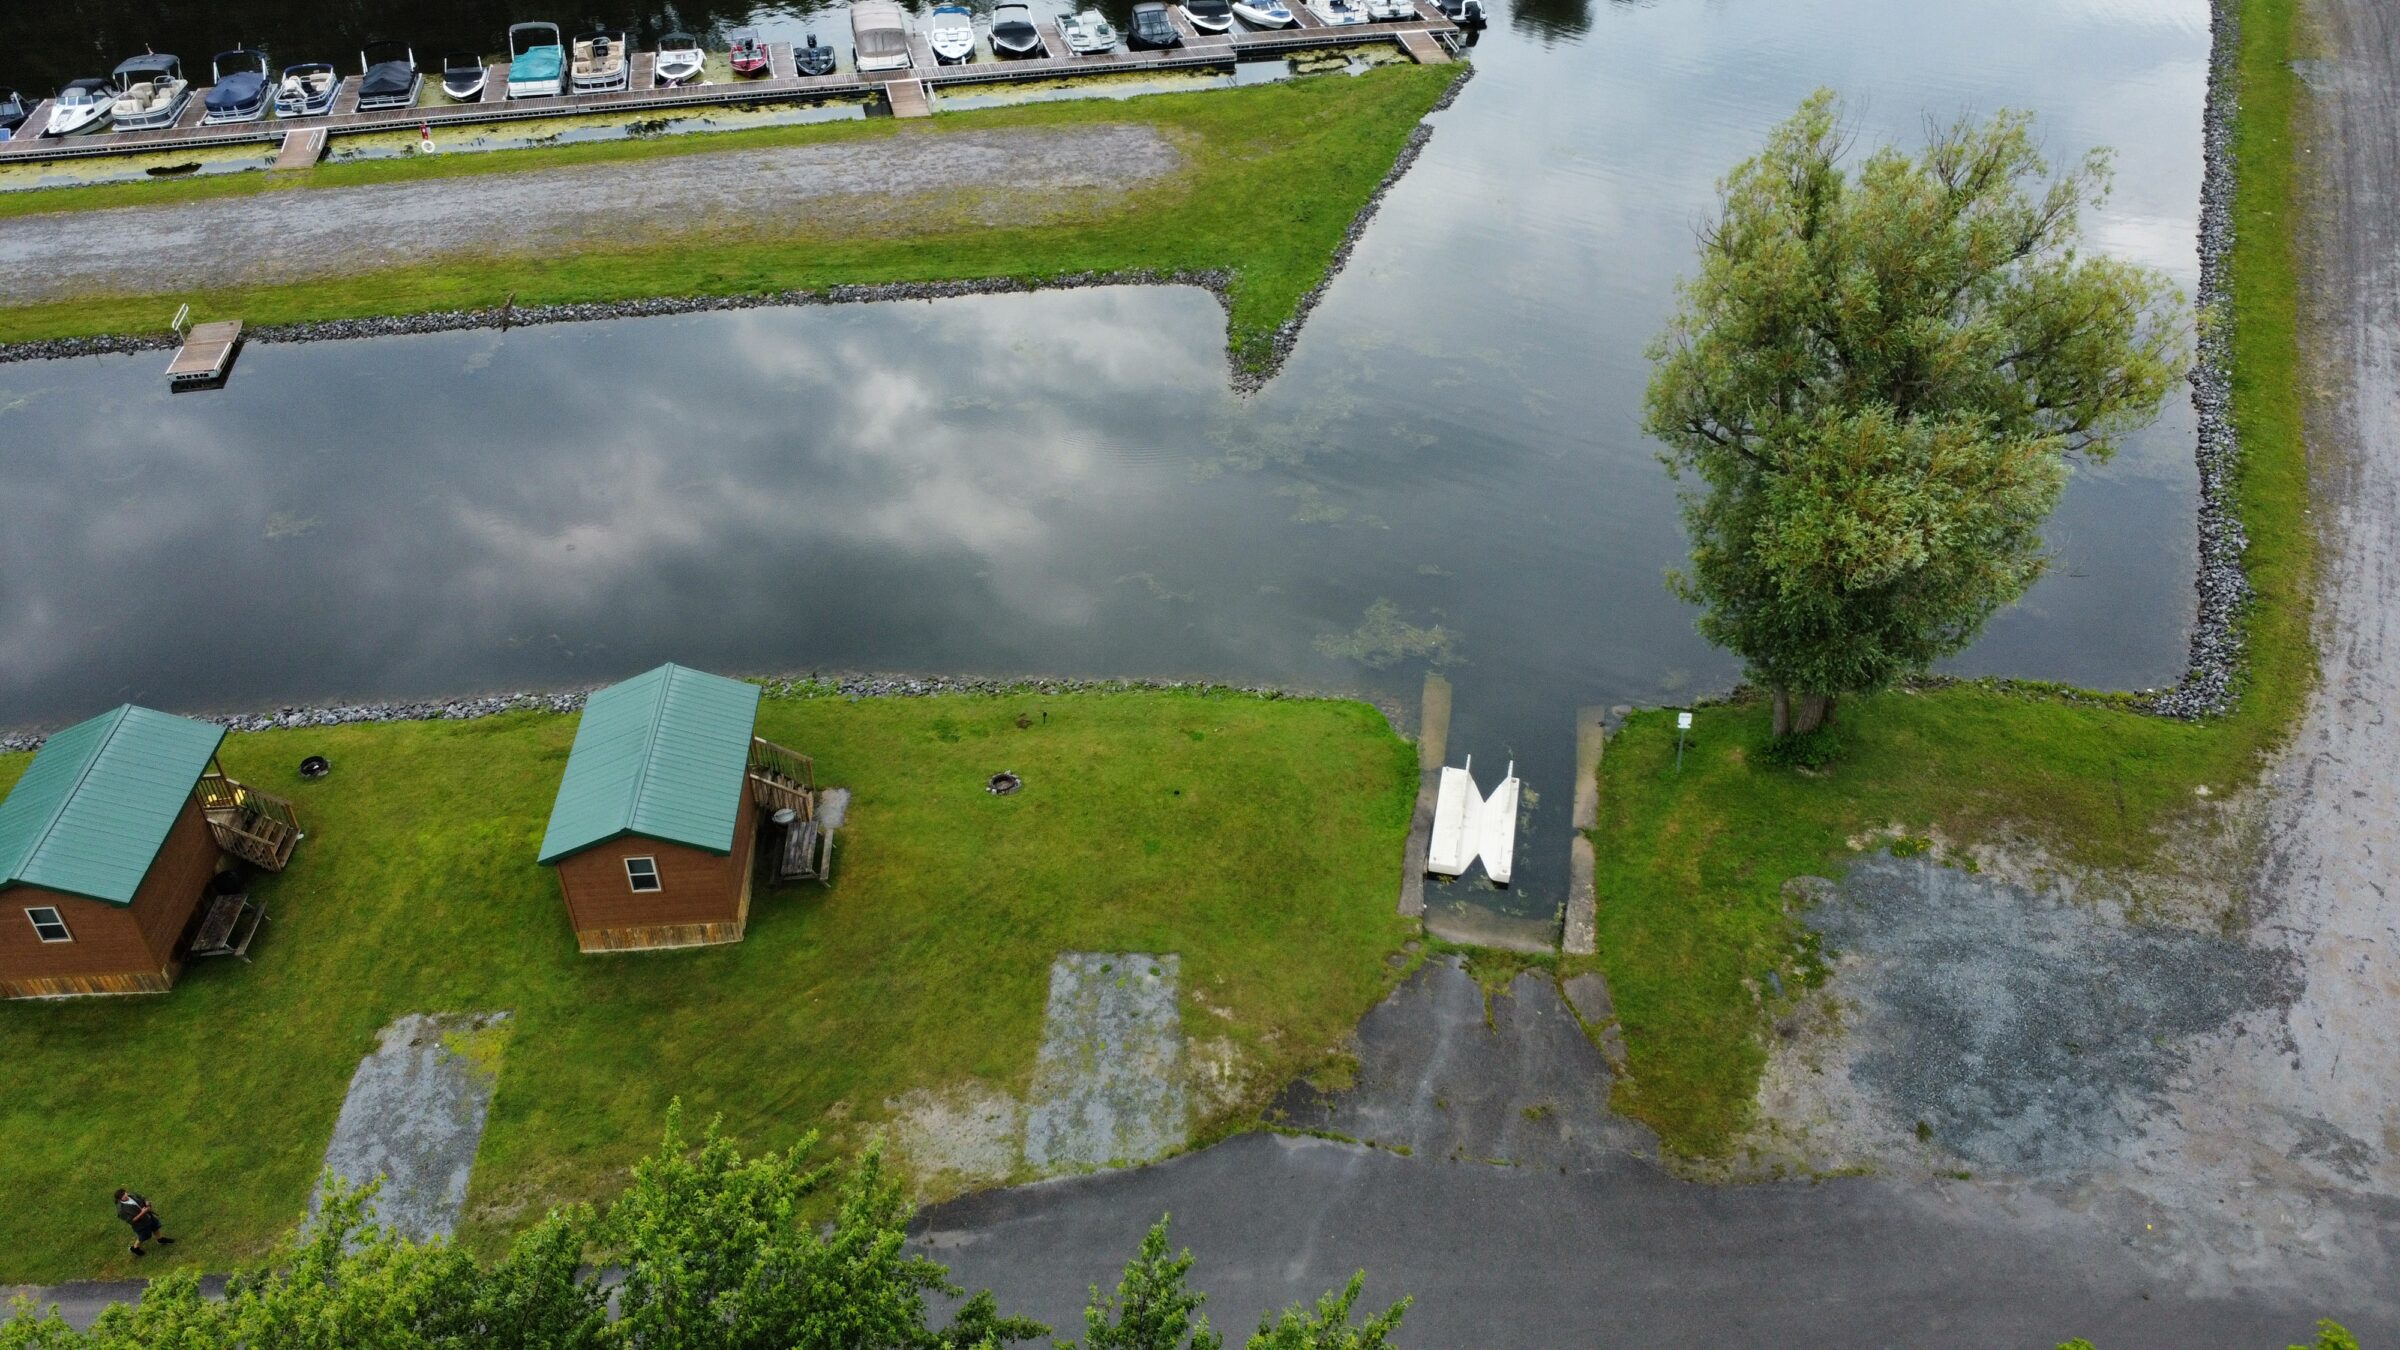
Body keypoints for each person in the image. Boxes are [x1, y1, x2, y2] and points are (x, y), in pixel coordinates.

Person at [113, 1188, 174, 1257]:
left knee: (155, 1227)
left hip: (148, 1216)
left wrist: (146, 1202)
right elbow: (132, 1221)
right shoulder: (121, 1210)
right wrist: (142, 1213)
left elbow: (142, 1198)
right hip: (141, 1224)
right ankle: (135, 1248)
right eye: (123, 1196)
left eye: (125, 1193)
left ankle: (160, 1239)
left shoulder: (132, 1195)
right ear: (119, 1199)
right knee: (144, 1236)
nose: (125, 1196)